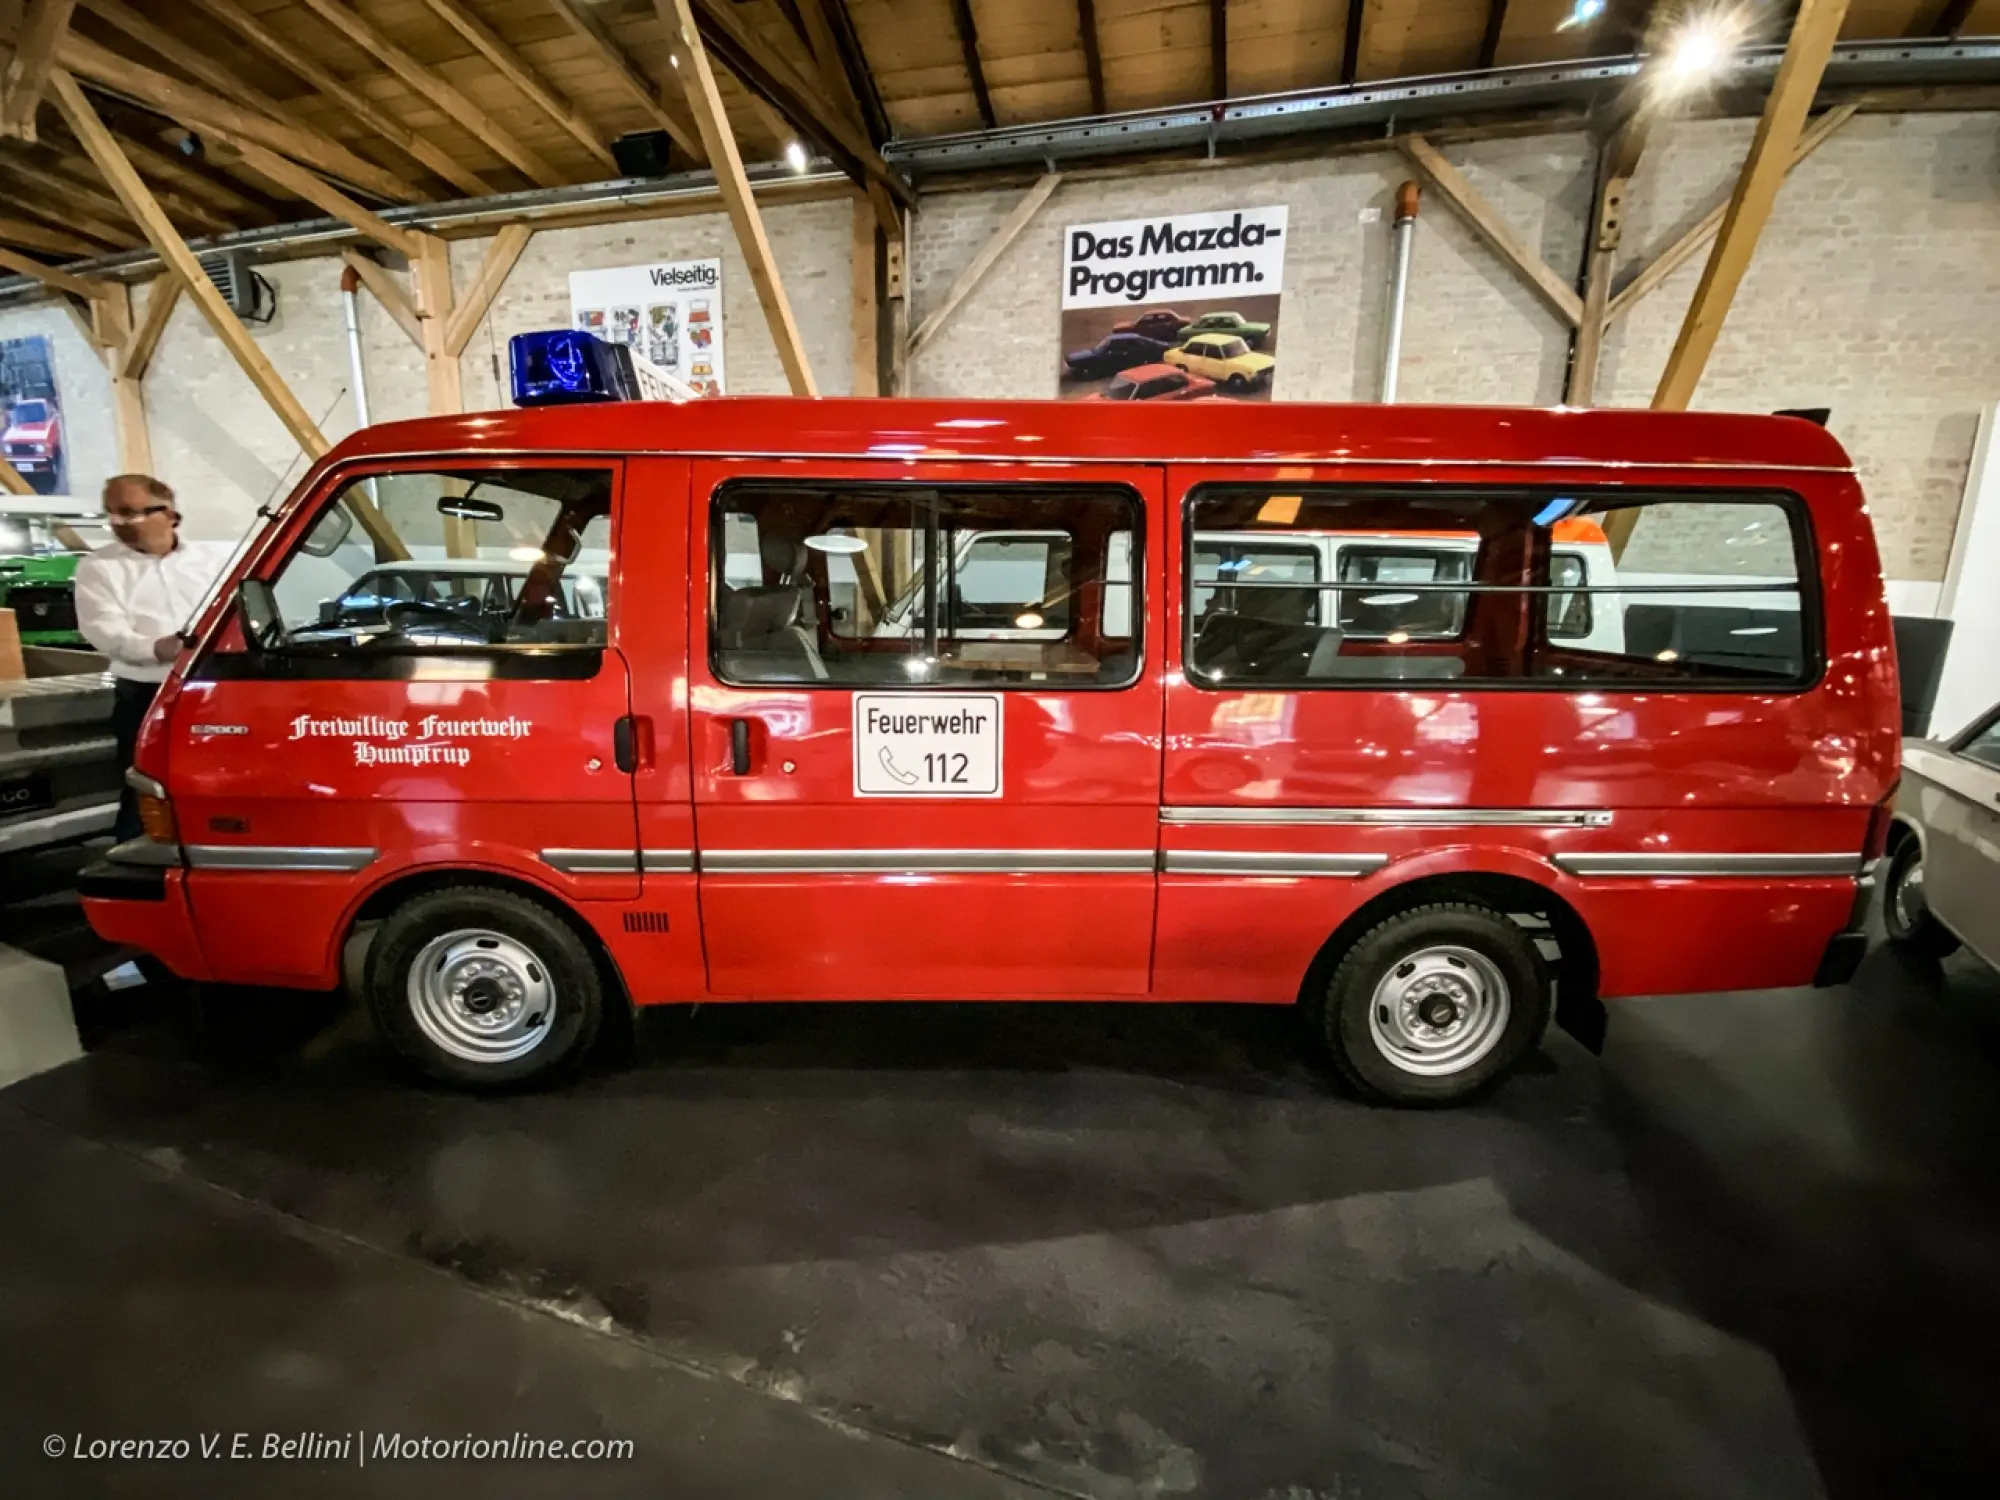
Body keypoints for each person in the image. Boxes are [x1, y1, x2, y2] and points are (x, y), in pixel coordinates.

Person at [73, 475, 233, 842]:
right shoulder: (99, 568)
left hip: (215, 692)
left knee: (218, 786)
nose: (120, 524)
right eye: (113, 515)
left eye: (131, 513)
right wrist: (157, 649)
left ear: (169, 513)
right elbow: (102, 630)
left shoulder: (216, 561)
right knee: (145, 789)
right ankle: (138, 871)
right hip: (148, 696)